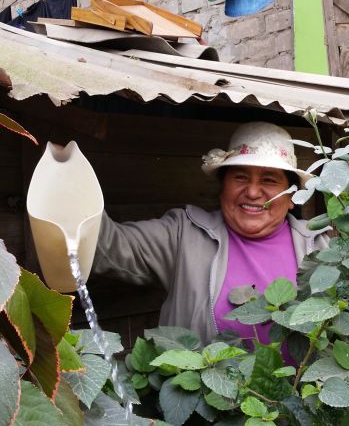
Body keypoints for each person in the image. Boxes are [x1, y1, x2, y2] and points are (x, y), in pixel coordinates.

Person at [93, 122, 329, 344]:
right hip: (203, 387)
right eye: (240, 177)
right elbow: (108, 247)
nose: (253, 192)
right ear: (222, 188)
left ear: (291, 198)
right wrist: (71, 179)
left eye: (269, 180)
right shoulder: (183, 234)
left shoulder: (320, 247)